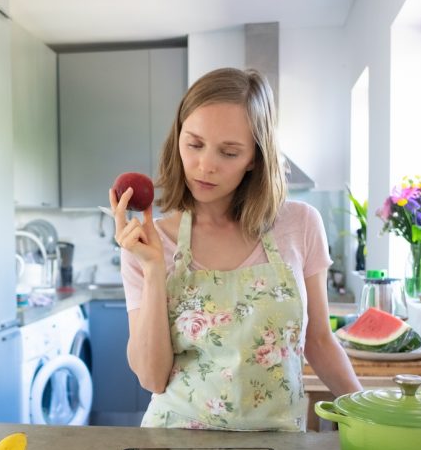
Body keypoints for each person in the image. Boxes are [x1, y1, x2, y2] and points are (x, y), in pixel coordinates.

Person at [110, 67, 361, 431]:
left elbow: (319, 341)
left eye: (229, 152)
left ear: (255, 158)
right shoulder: (152, 242)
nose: (205, 165)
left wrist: (370, 414)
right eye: (194, 144)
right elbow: (152, 378)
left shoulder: (301, 225)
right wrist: (151, 270)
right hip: (175, 444)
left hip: (279, 446)